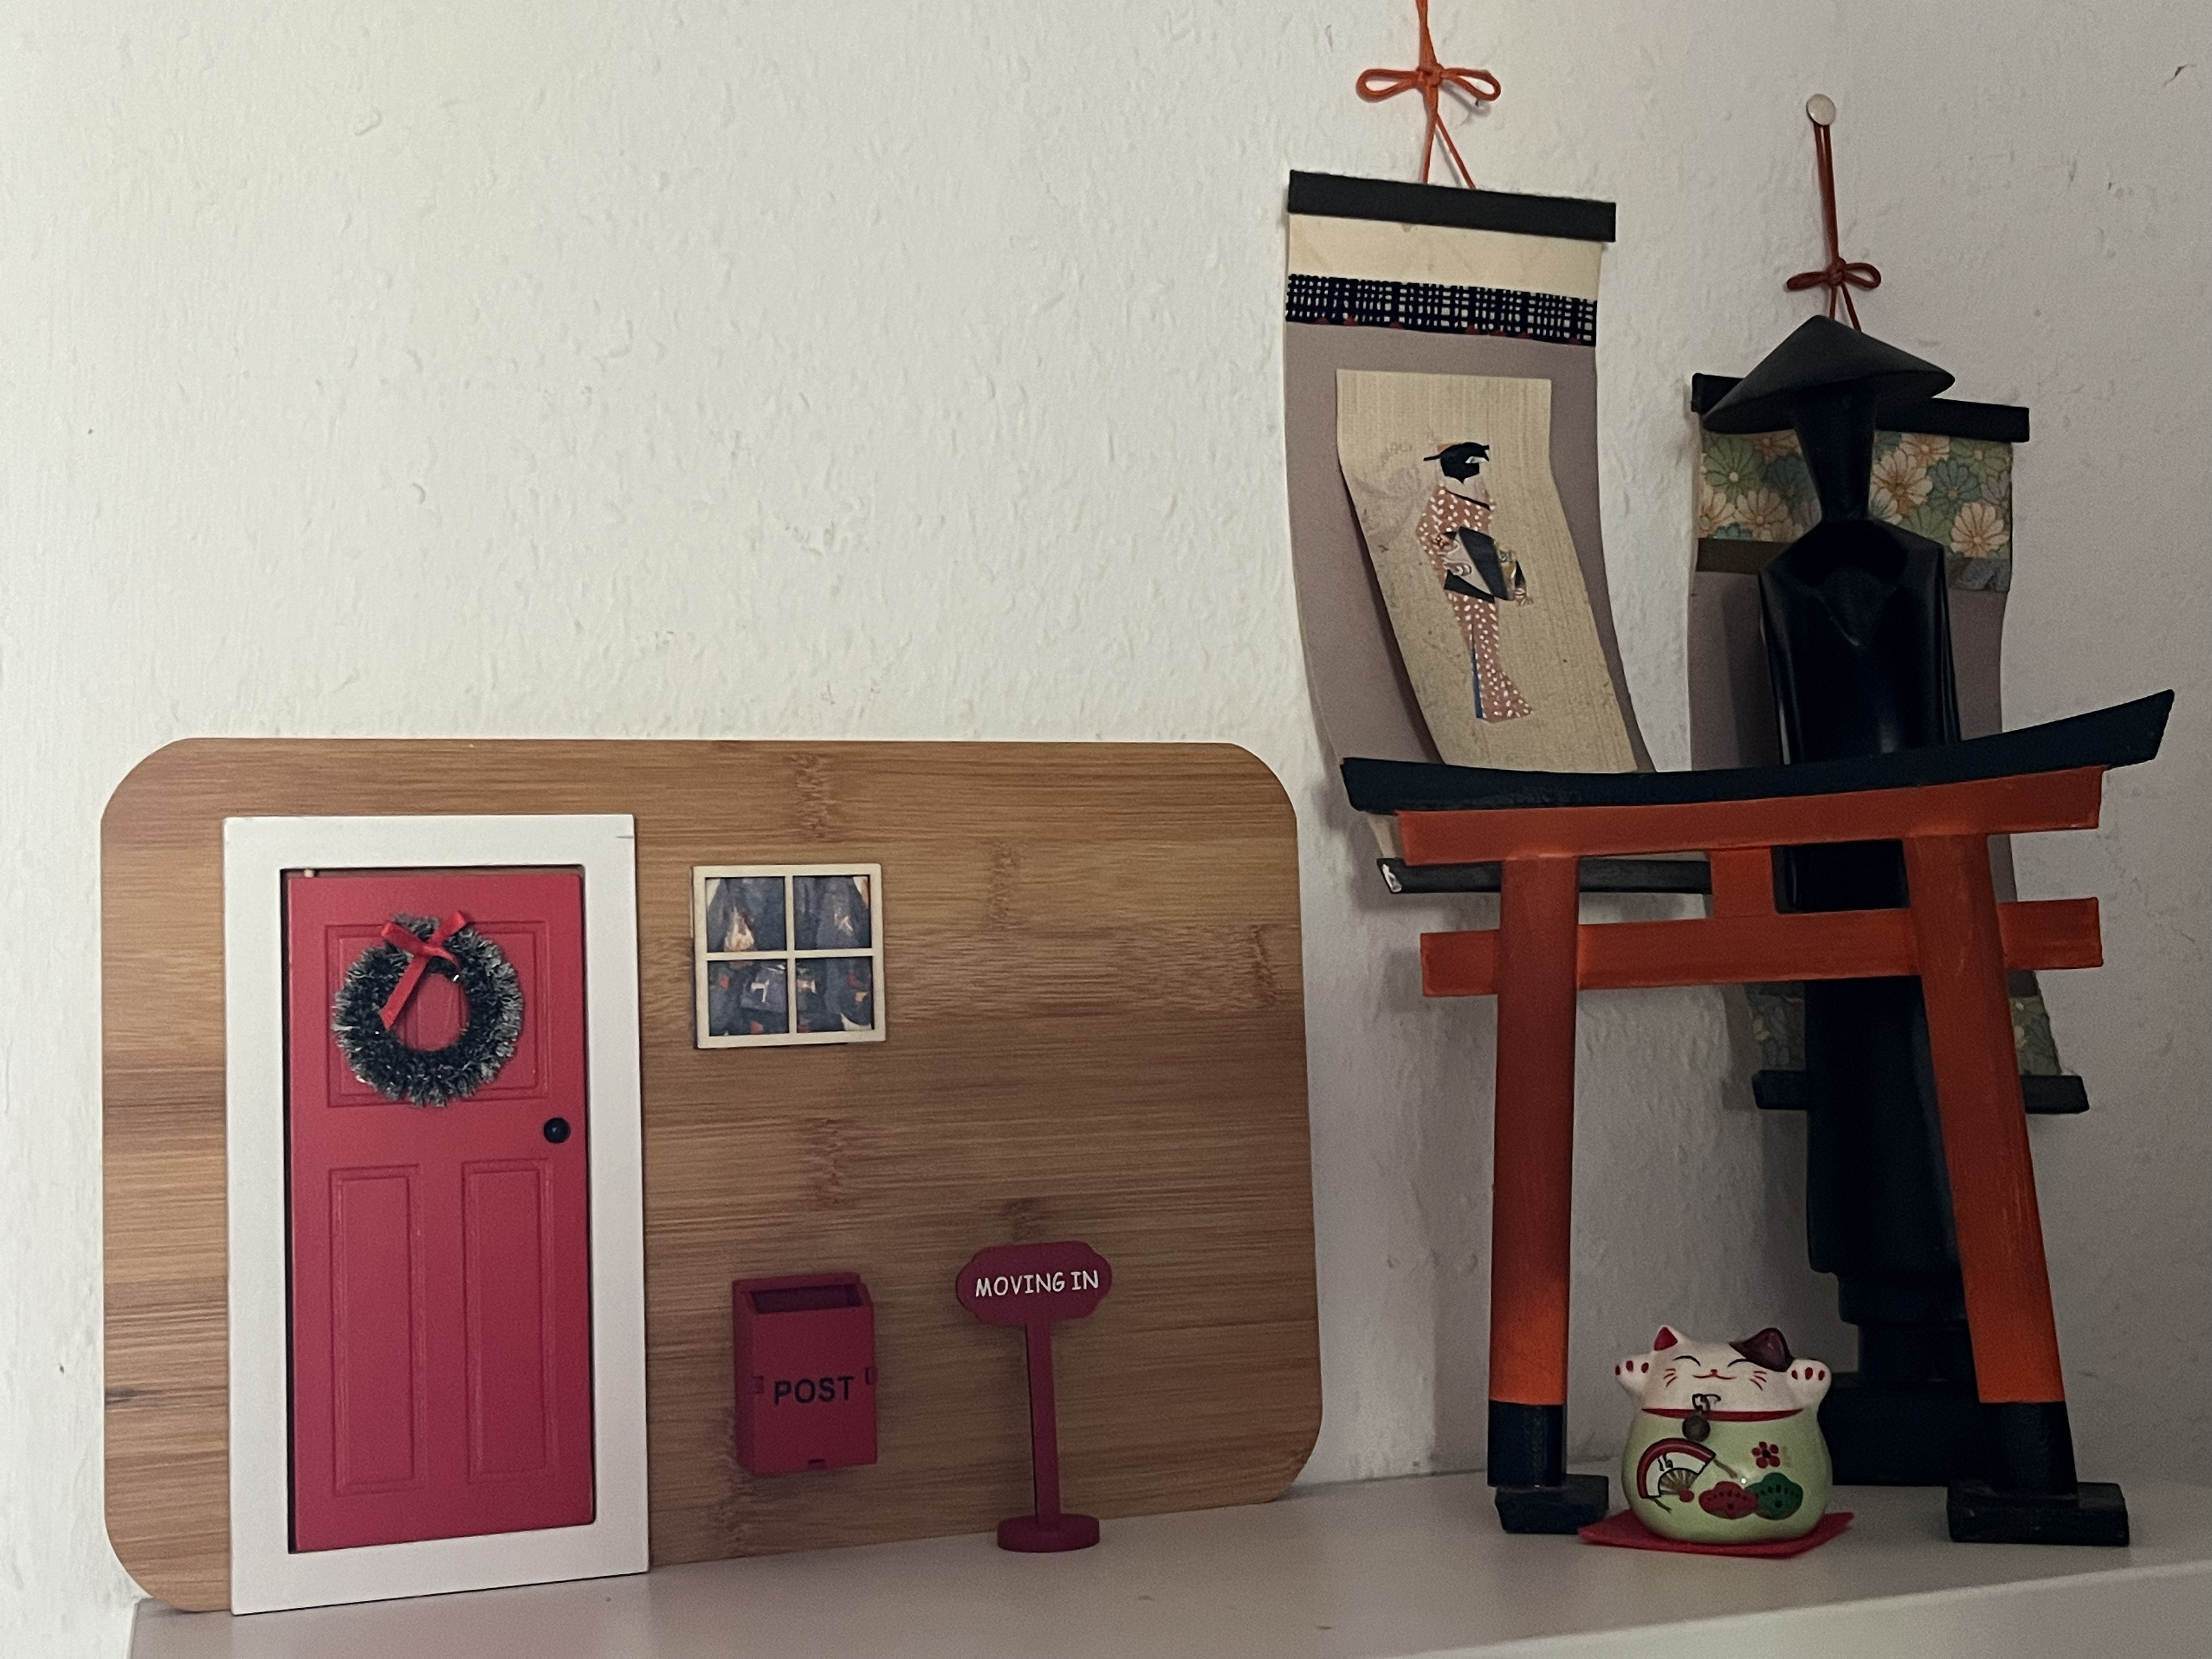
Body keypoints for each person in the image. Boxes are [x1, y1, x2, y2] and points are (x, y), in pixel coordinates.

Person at [1415, 441, 1533, 722]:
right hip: (1465, 580)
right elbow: (1428, 534)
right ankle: (1495, 704)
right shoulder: (1444, 500)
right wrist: (1457, 553)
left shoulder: (1475, 493)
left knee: (1486, 640)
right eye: (1476, 463)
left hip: (1480, 574)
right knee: (1479, 640)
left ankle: (1498, 702)